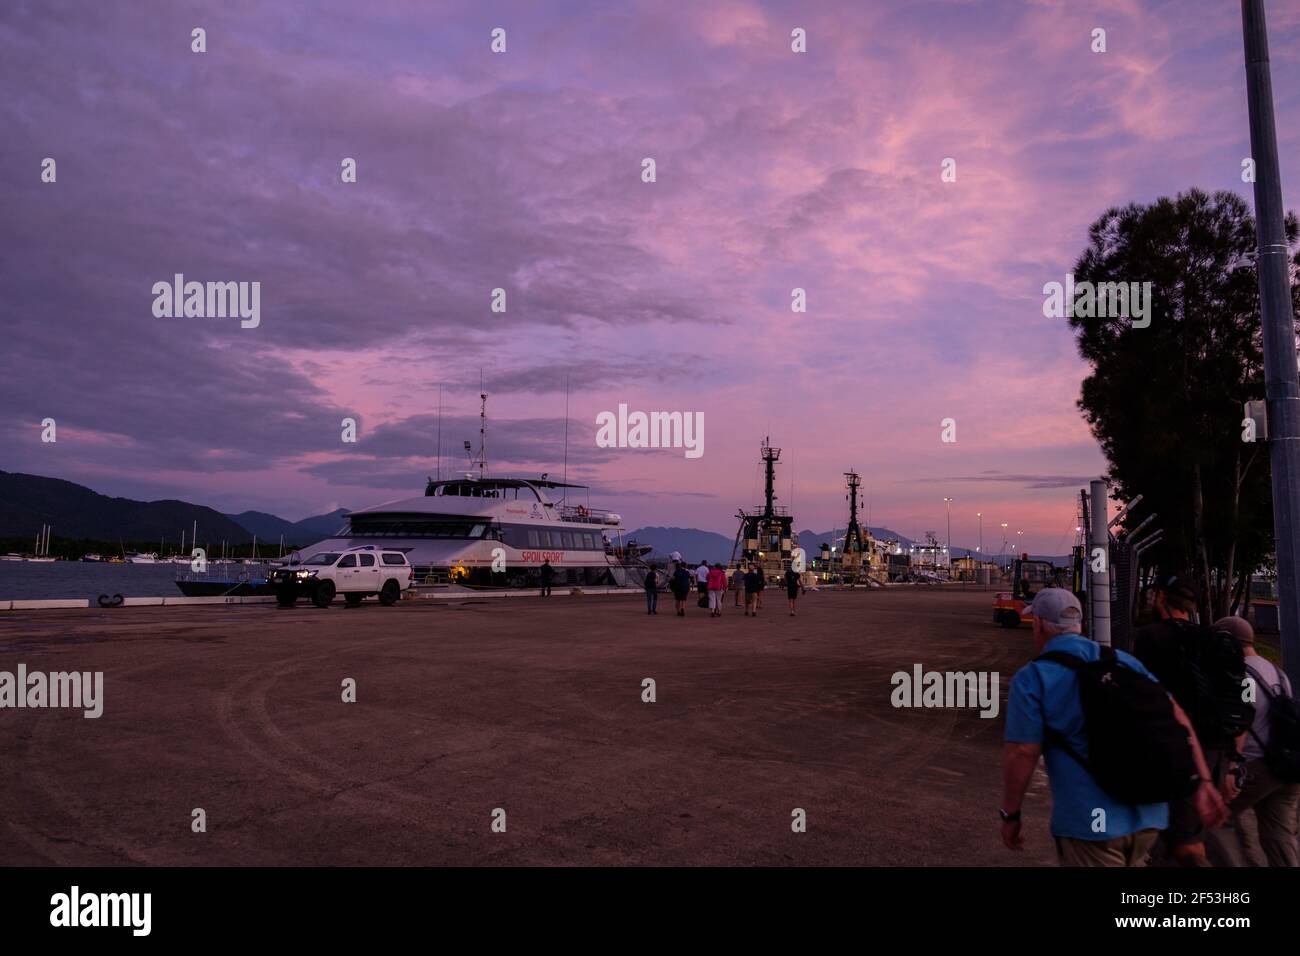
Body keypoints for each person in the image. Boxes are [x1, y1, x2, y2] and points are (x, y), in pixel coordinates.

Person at [1002, 588, 1227, 867]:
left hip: (1093, 825)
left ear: (1038, 625)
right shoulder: (1122, 661)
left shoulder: (1033, 677)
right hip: (1149, 817)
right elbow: (1178, 717)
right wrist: (1202, 782)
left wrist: (1011, 814)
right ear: (1079, 624)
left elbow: (1022, 751)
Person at [1133, 573, 1251, 867]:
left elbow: (1146, 696)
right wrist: (1234, 760)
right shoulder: (1213, 639)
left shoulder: (1150, 637)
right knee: (1189, 831)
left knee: (1183, 845)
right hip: (1214, 751)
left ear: (1161, 598)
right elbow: (1241, 702)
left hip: (1172, 751)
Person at [1216, 615, 1300, 866]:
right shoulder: (1278, 672)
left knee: (1216, 819)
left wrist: (1233, 765)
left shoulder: (1244, 675)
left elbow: (1243, 719)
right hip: (1288, 765)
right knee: (1279, 835)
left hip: (1259, 766)